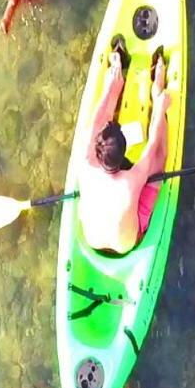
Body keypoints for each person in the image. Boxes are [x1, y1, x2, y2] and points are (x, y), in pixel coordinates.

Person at [77, 38, 171, 254]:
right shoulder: (131, 181)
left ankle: (116, 76)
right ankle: (157, 85)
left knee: (92, 125)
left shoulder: (85, 161)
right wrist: (159, 106)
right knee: (159, 159)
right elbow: (154, 143)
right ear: (122, 158)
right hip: (128, 243)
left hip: (93, 239)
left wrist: (109, 89)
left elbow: (95, 122)